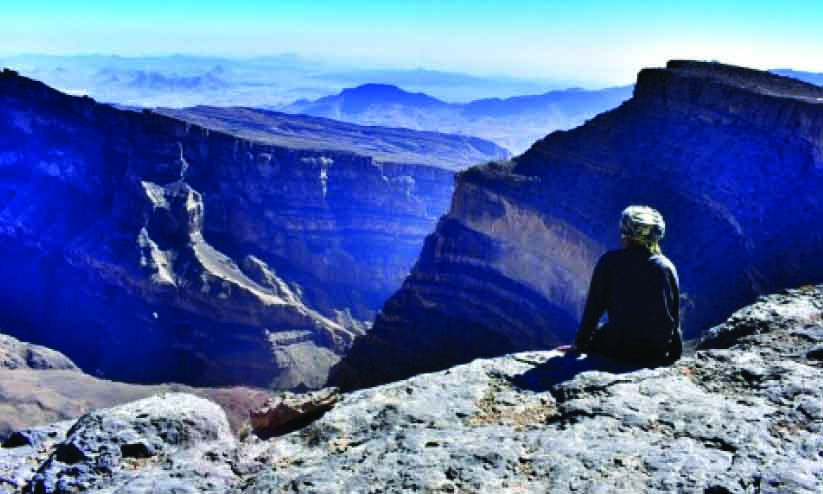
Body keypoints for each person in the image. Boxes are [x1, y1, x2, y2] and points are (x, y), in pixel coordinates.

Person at [572, 205, 682, 365]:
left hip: (618, 347)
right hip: (655, 350)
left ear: (626, 236)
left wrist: (579, 345)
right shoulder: (666, 267)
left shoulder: (609, 262)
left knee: (600, 333)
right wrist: (674, 354)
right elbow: (674, 316)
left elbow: (594, 308)